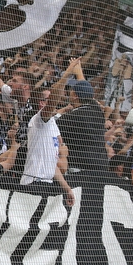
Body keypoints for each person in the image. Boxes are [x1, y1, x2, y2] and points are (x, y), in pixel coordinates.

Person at [18, 57, 81, 206]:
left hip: (47, 184)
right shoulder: (39, 119)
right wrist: (67, 74)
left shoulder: (52, 123)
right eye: (48, 99)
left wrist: (67, 189)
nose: (54, 101)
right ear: (42, 103)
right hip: (33, 184)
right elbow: (54, 98)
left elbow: (52, 164)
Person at [56, 78, 108, 172]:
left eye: (72, 91)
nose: (69, 92)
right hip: (101, 165)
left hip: (80, 168)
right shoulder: (98, 112)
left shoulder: (74, 116)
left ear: (75, 96)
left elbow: (51, 124)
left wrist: (60, 111)